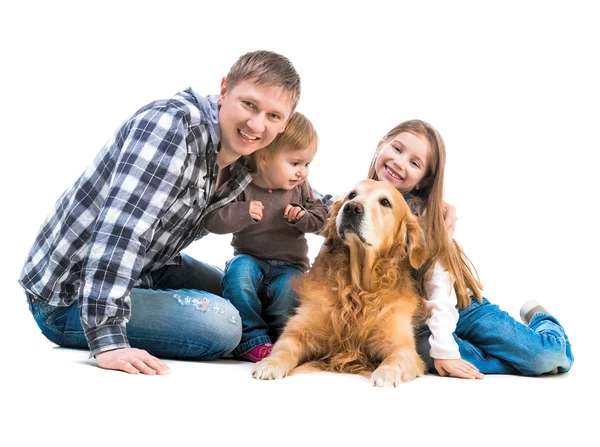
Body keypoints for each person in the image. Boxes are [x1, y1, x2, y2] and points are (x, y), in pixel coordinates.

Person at [18, 50, 301, 375]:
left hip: (145, 268)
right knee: (223, 323)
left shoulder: (244, 158)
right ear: (224, 90)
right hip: (69, 295)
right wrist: (107, 339)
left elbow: (297, 184)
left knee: (246, 295)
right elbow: (122, 231)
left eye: (273, 116)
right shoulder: (171, 128)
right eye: (248, 104)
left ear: (285, 123)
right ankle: (108, 318)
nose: (256, 124)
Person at [365, 119, 574, 377]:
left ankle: (541, 322)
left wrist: (444, 349)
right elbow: (325, 215)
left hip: (461, 307)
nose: (399, 162)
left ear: (423, 180)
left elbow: (438, 284)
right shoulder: (357, 200)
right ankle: (506, 359)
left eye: (414, 163)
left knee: (547, 357)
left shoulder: (428, 217)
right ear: (380, 145)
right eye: (397, 149)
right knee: (420, 352)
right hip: (419, 320)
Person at [203, 112, 328, 362]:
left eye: (307, 164)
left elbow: (322, 219)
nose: (302, 172)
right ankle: (250, 338)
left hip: (290, 265)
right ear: (264, 157)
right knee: (238, 276)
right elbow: (213, 220)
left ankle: (281, 340)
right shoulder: (243, 184)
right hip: (251, 259)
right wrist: (242, 213)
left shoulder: (299, 187)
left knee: (290, 290)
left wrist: (302, 217)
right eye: (295, 163)